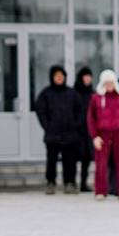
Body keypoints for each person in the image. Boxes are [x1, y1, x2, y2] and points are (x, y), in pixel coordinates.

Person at [87, 69, 119, 200]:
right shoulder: (96, 98)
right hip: (102, 134)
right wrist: (95, 136)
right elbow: (91, 119)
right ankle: (100, 191)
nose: (109, 85)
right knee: (101, 164)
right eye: (106, 83)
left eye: (111, 83)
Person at [33, 65, 83, 194]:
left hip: (70, 134)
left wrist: (75, 124)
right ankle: (51, 182)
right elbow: (40, 111)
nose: (59, 78)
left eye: (62, 76)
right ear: (52, 77)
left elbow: (80, 111)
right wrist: (47, 126)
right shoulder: (46, 94)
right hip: (52, 135)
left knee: (70, 161)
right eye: (57, 76)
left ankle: (70, 183)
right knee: (51, 160)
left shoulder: (72, 93)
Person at [73, 67, 95, 191]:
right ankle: (71, 181)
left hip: (89, 131)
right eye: (85, 77)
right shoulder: (74, 93)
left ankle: (83, 183)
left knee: (86, 158)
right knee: (74, 158)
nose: (87, 79)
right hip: (76, 130)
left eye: (89, 77)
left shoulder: (93, 94)